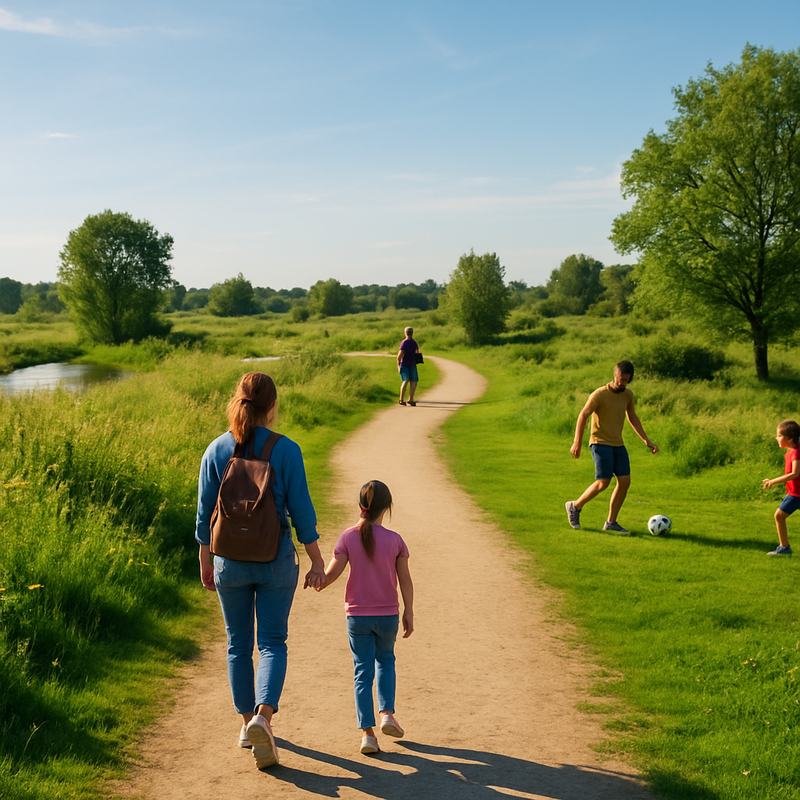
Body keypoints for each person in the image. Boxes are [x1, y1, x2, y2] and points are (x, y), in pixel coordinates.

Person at [195, 372, 326, 770]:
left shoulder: (216, 449)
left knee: (238, 645)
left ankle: (243, 722)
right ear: (272, 408)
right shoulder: (286, 451)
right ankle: (263, 719)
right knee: (271, 642)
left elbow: (205, 514)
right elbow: (301, 512)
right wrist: (317, 558)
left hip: (228, 562)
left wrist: (206, 561)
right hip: (275, 561)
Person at [319, 480, 414, 755]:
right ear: (387, 507)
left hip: (357, 616)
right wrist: (409, 610)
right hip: (387, 615)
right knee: (386, 660)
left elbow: (331, 574)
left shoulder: (348, 537)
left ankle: (368, 735)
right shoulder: (395, 540)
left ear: (361, 505)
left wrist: (318, 580)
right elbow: (405, 580)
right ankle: (387, 713)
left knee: (362, 671)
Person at [565, 360, 658, 534]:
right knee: (603, 482)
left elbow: (632, 417)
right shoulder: (599, 394)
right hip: (600, 443)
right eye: (621, 379)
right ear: (615, 375)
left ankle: (611, 522)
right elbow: (583, 415)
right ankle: (575, 506)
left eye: (626, 380)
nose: (623, 383)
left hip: (618, 443)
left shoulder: (628, 395)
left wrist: (646, 440)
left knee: (625, 482)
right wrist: (577, 442)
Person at [761, 419, 800, 556]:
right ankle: (784, 547)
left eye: (779, 436)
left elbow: (795, 473)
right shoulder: (791, 451)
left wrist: (774, 481)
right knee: (779, 516)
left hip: (796, 495)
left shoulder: (795, 452)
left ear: (789, 438)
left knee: (779, 516)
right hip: (794, 493)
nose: (776, 438)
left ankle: (784, 548)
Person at [397, 326, 420, 406]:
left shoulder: (404, 342)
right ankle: (411, 399)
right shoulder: (414, 342)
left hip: (404, 364)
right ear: (412, 333)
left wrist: (398, 365)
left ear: (405, 333)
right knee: (414, 381)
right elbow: (417, 353)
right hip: (412, 363)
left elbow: (400, 355)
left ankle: (401, 399)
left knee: (405, 380)